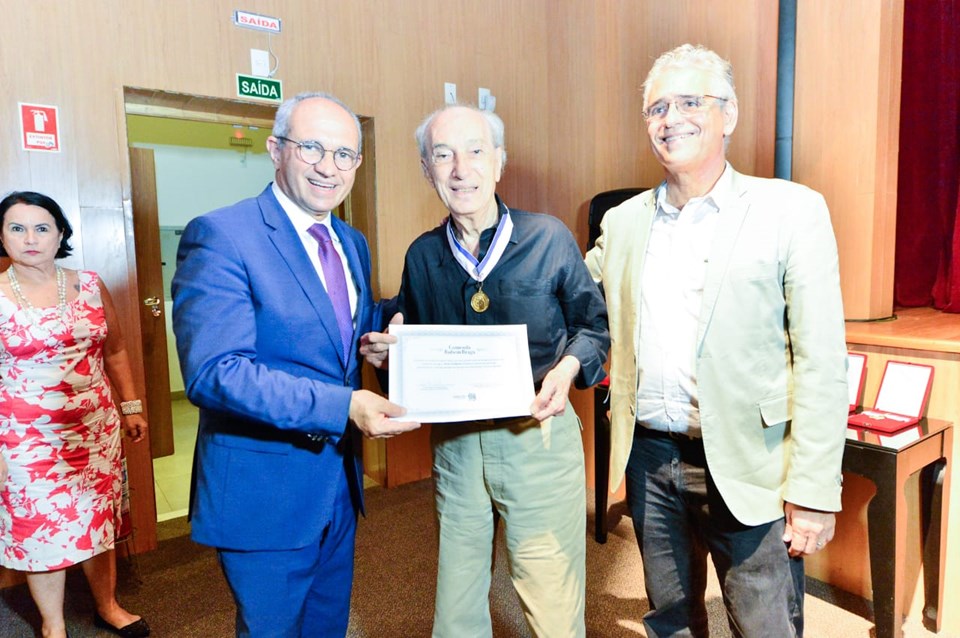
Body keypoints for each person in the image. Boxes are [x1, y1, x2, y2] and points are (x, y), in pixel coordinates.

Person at [584, 44, 849, 637]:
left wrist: (812, 491)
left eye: (689, 102)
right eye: (657, 108)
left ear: (728, 114)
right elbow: (565, 293)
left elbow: (822, 361)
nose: (670, 119)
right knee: (671, 621)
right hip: (651, 458)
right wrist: (419, 318)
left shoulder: (792, 211)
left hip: (752, 462)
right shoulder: (623, 222)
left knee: (764, 625)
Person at [171, 92, 419, 638]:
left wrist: (383, 334)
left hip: (337, 485)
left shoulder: (350, 241)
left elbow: (336, 329)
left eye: (344, 154)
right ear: (275, 149)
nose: (329, 167)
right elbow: (216, 372)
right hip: (265, 490)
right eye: (312, 148)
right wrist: (343, 405)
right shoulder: (222, 235)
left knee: (327, 626)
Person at [361, 104, 609, 637]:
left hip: (537, 438)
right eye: (442, 155)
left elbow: (594, 327)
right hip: (456, 448)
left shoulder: (548, 238)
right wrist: (389, 357)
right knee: (456, 607)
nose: (460, 169)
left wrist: (567, 369)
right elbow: (412, 354)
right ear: (427, 169)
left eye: (475, 151)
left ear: (499, 161)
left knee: (552, 603)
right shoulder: (423, 256)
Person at [0, 191, 150, 638]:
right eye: (17, 228)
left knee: (96, 518)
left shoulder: (89, 284)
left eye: (42, 228)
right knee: (41, 528)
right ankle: (53, 625)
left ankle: (108, 606)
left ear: (60, 234)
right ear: (2, 236)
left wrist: (131, 405)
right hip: (24, 440)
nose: (30, 239)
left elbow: (115, 350)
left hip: (94, 430)